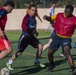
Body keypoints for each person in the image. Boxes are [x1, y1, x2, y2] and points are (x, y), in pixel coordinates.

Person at [6, 5, 45, 70]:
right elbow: (23, 26)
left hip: (31, 37)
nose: (34, 12)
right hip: (25, 37)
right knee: (19, 52)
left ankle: (37, 61)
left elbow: (33, 27)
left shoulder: (34, 18)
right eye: (32, 10)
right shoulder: (27, 17)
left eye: (35, 10)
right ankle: (9, 62)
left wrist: (35, 32)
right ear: (29, 10)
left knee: (40, 46)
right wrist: (31, 31)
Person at [43, 4, 76, 75]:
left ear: (72, 12)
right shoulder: (59, 15)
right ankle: (51, 65)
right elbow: (51, 18)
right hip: (56, 37)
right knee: (50, 53)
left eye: (68, 12)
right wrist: (47, 17)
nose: (66, 13)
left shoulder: (74, 20)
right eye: (65, 11)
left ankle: (73, 69)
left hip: (66, 38)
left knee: (67, 52)